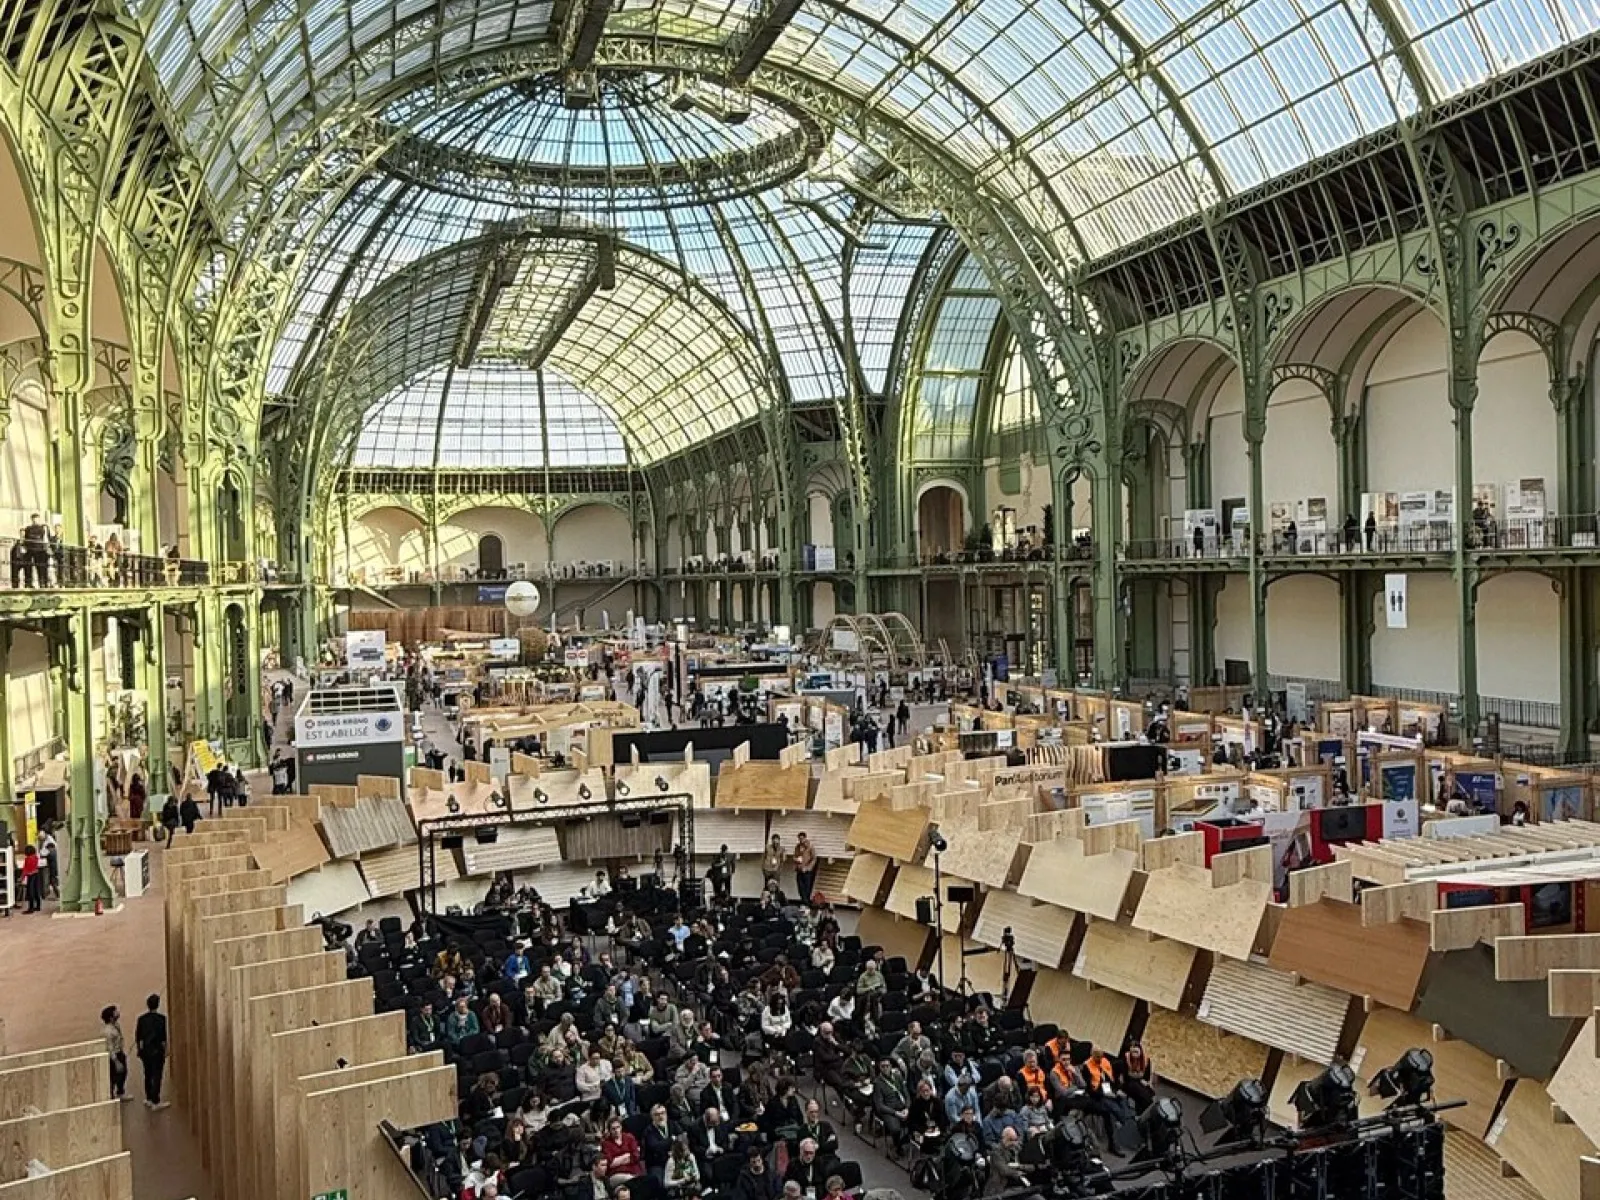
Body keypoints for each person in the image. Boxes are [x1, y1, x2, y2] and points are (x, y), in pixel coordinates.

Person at [134, 993, 169, 1110]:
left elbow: (138, 1037)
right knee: (157, 1075)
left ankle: (148, 1097)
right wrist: (166, 1050)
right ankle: (156, 1100)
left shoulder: (141, 1019)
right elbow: (163, 1038)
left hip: (146, 1051)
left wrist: (139, 1049)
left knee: (147, 1074)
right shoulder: (161, 1019)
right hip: (157, 1050)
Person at [102, 1005, 129, 1100]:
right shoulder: (108, 1031)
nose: (118, 1013)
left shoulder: (116, 1025)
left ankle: (120, 1092)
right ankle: (111, 1096)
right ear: (111, 1017)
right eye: (115, 1012)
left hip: (120, 1052)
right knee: (114, 1076)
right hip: (115, 1055)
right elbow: (110, 1048)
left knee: (123, 1073)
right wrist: (116, 1062)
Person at [793, 832, 817, 907]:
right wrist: (796, 860)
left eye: (802, 838)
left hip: (807, 870)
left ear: (805, 838)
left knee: (807, 887)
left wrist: (808, 868)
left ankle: (806, 902)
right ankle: (803, 900)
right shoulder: (797, 847)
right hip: (799, 869)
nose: (801, 840)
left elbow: (814, 858)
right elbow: (794, 856)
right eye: (800, 839)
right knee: (800, 887)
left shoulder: (810, 847)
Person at [19, 843, 41, 912]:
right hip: (37, 874)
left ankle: (31, 908)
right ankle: (38, 906)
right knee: (36, 891)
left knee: (30, 892)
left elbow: (25, 870)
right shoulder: (36, 857)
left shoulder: (27, 859)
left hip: (31, 876)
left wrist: (21, 878)